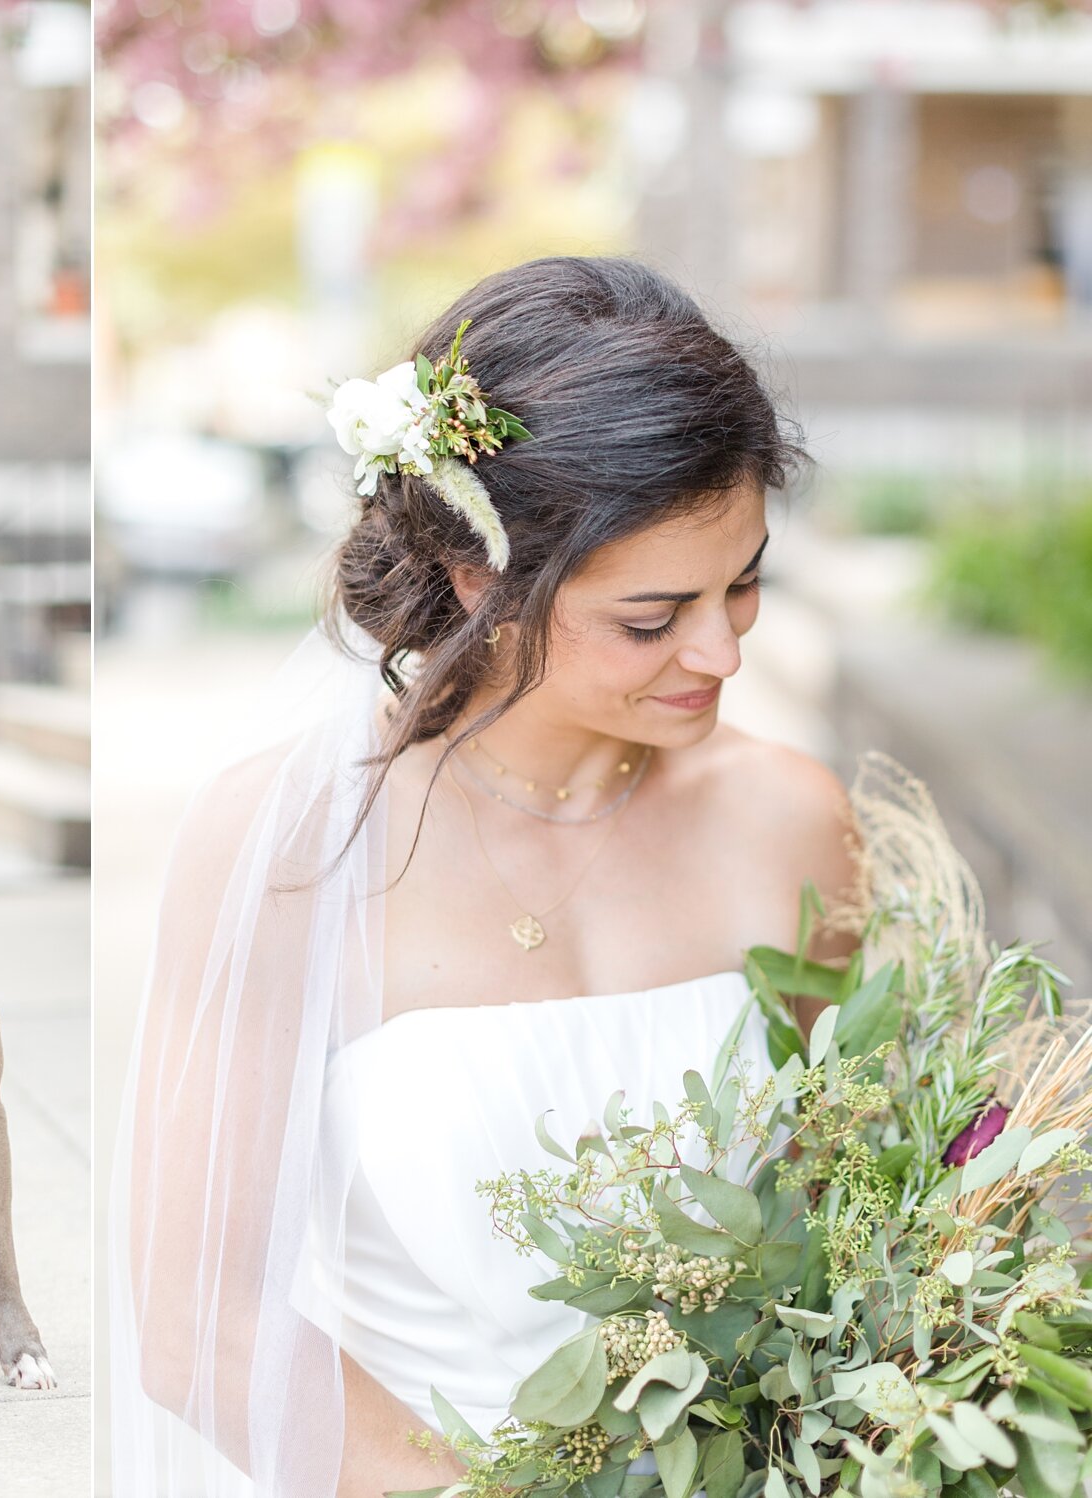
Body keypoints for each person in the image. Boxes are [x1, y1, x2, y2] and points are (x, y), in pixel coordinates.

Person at [106, 256, 863, 1496]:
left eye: (746, 582)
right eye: (651, 615)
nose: (720, 648)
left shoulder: (787, 816)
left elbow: (853, 1203)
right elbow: (201, 1322)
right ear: (479, 577)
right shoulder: (291, 847)